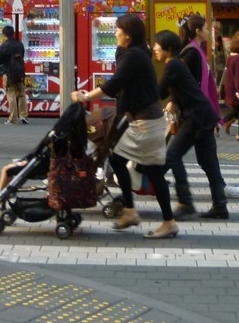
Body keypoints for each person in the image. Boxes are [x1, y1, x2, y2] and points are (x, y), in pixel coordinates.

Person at [73, 13, 177, 239]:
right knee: (119, 160)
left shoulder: (135, 56)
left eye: (119, 29)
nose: (115, 32)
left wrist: (85, 96)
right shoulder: (133, 53)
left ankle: (168, 222)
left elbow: (113, 85)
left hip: (147, 122)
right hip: (142, 120)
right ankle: (130, 210)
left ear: (128, 35)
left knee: (153, 172)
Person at [155, 30, 229, 220]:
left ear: (168, 48)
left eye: (157, 45)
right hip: (204, 115)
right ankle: (220, 206)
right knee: (208, 161)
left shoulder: (173, 65)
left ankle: (185, 202)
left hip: (196, 117)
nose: (154, 48)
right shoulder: (177, 64)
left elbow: (159, 92)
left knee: (172, 155)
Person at [0, 25, 26, 124]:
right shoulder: (20, 44)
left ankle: (13, 118)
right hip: (20, 72)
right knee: (21, 94)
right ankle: (23, 115)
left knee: (11, 94)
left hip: (8, 73)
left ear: (4, 34)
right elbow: (22, 55)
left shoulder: (4, 46)